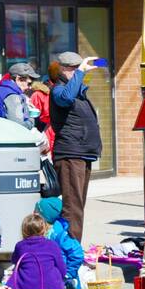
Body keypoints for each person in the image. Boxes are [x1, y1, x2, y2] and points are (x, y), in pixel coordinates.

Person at [50, 51, 103, 243]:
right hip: (70, 155)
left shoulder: (77, 92)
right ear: (63, 70)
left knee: (77, 206)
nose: (79, 73)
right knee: (72, 208)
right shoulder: (59, 90)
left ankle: (73, 250)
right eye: (74, 69)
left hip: (82, 154)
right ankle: (71, 253)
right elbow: (65, 98)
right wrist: (80, 73)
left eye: (79, 69)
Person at [9, 212, 66, 289]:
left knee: (18, 269)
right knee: (54, 268)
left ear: (24, 230)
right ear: (44, 229)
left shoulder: (20, 246)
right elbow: (62, 269)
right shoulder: (52, 245)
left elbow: (14, 261)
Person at [36, 196, 84, 289]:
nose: (33, 213)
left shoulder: (60, 234)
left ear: (45, 216)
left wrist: (68, 273)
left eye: (36, 211)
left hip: (62, 275)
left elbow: (77, 254)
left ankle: (69, 284)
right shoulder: (43, 231)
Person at [0, 63, 39, 129]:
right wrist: (32, 119)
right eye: (29, 83)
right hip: (9, 137)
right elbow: (19, 127)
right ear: (18, 79)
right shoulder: (13, 96)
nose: (29, 87)